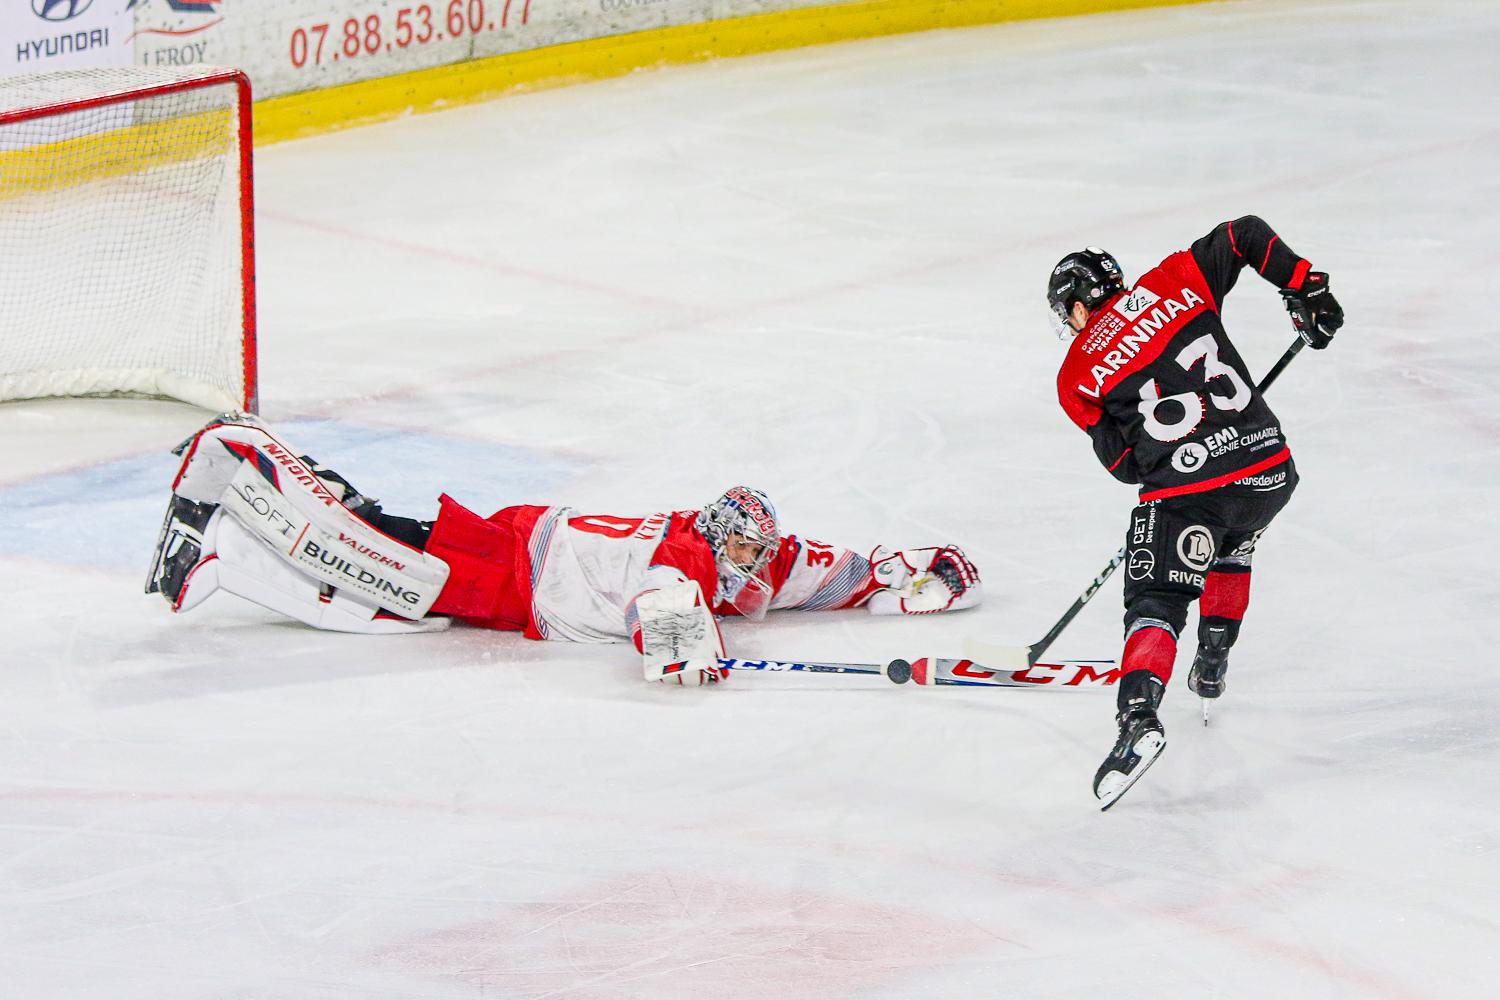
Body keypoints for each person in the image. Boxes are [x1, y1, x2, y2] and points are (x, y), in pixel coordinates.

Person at [146, 414, 983, 686]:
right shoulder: (692, 554)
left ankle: (222, 553)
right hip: (513, 571)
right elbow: (665, 609)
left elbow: (825, 570)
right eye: (742, 546)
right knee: (366, 554)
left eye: (755, 550)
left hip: (524, 552)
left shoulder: (750, 554)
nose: (753, 561)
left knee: (376, 590)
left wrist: (912, 574)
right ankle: (246, 450)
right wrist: (684, 653)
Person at [1046, 217, 1344, 806]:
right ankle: (1211, 663)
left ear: (1078, 307)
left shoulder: (1076, 375)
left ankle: (1137, 719)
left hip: (1192, 492)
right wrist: (1306, 288)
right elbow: (1244, 234)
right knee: (1233, 538)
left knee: (1157, 600)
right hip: (1269, 466)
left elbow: (1125, 465)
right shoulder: (1175, 280)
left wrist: (1185, 452)